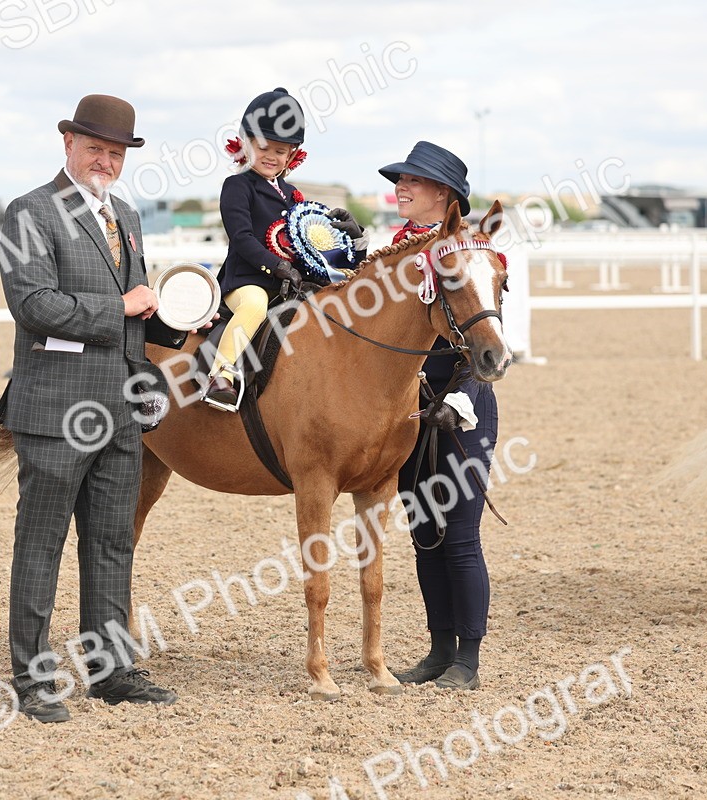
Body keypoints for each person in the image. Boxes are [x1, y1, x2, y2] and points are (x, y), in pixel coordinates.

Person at [0, 94, 180, 723]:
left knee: (110, 543)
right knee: (41, 545)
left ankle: (111, 670)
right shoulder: (31, 213)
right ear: (68, 145)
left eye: (116, 152)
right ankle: (31, 678)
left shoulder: (125, 214)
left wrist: (174, 318)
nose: (105, 160)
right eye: (95, 147)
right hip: (54, 409)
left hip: (119, 408)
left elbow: (138, 308)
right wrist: (122, 309)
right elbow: (35, 306)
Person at [382, 141, 498, 691]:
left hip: (461, 406)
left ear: (446, 199)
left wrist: (463, 396)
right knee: (423, 534)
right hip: (410, 410)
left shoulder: (473, 254)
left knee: (459, 536)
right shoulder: (397, 252)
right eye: (401, 179)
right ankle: (437, 650)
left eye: (415, 181)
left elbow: (490, 338)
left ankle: (468, 660)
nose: (402, 186)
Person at [202, 88, 367, 410]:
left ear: (292, 155)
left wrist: (343, 240)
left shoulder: (293, 195)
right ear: (245, 143)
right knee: (253, 307)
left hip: (290, 282)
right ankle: (221, 374)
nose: (271, 156)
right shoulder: (237, 186)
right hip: (248, 280)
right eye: (263, 147)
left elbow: (307, 242)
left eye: (281, 151)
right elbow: (242, 238)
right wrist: (274, 265)